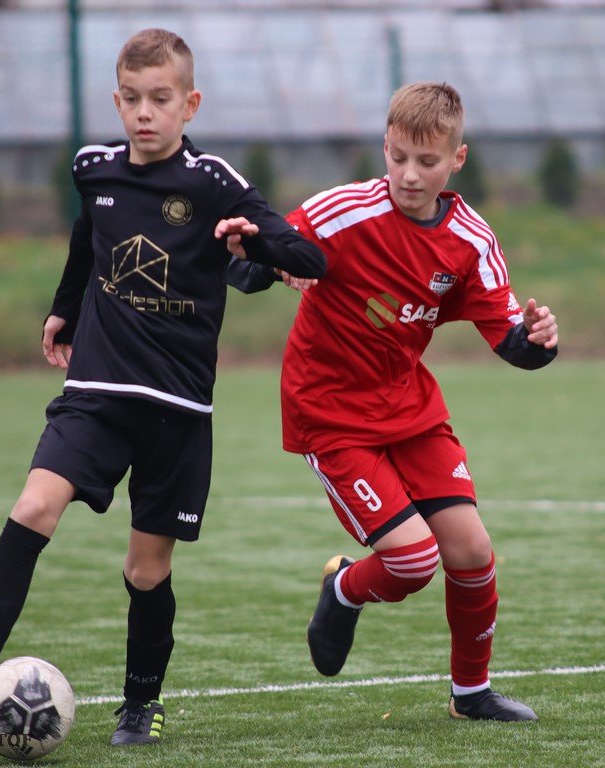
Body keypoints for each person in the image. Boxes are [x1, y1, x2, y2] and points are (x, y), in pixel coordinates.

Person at [0, 28, 325, 746]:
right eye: (132, 98)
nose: (144, 113)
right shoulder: (93, 169)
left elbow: (307, 257)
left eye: (160, 99)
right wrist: (64, 307)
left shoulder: (214, 181)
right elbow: (86, 238)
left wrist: (253, 242)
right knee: (33, 508)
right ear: (117, 99)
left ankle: (139, 705)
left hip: (176, 410)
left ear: (190, 104)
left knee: (146, 569)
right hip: (96, 393)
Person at [237, 81, 558, 721]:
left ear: (457, 159)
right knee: (413, 561)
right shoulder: (342, 212)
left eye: (427, 161)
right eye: (398, 156)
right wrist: (267, 262)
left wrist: (539, 340)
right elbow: (251, 262)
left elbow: (509, 338)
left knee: (471, 553)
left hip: (409, 408)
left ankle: (470, 694)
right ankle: (345, 589)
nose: (409, 175)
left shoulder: (470, 240)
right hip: (329, 412)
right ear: (384, 146)